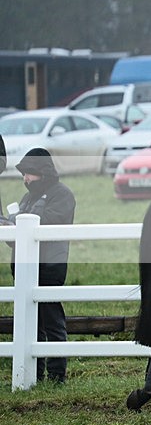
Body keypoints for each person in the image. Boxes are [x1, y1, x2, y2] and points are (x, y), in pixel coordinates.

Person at [8, 148, 75, 383]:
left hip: (48, 267)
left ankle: (57, 375)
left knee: (51, 321)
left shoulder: (62, 195)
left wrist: (15, 223)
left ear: (43, 173)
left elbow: (49, 224)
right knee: (30, 323)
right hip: (26, 269)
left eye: (29, 173)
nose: (25, 179)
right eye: (24, 174)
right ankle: (32, 374)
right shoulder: (30, 197)